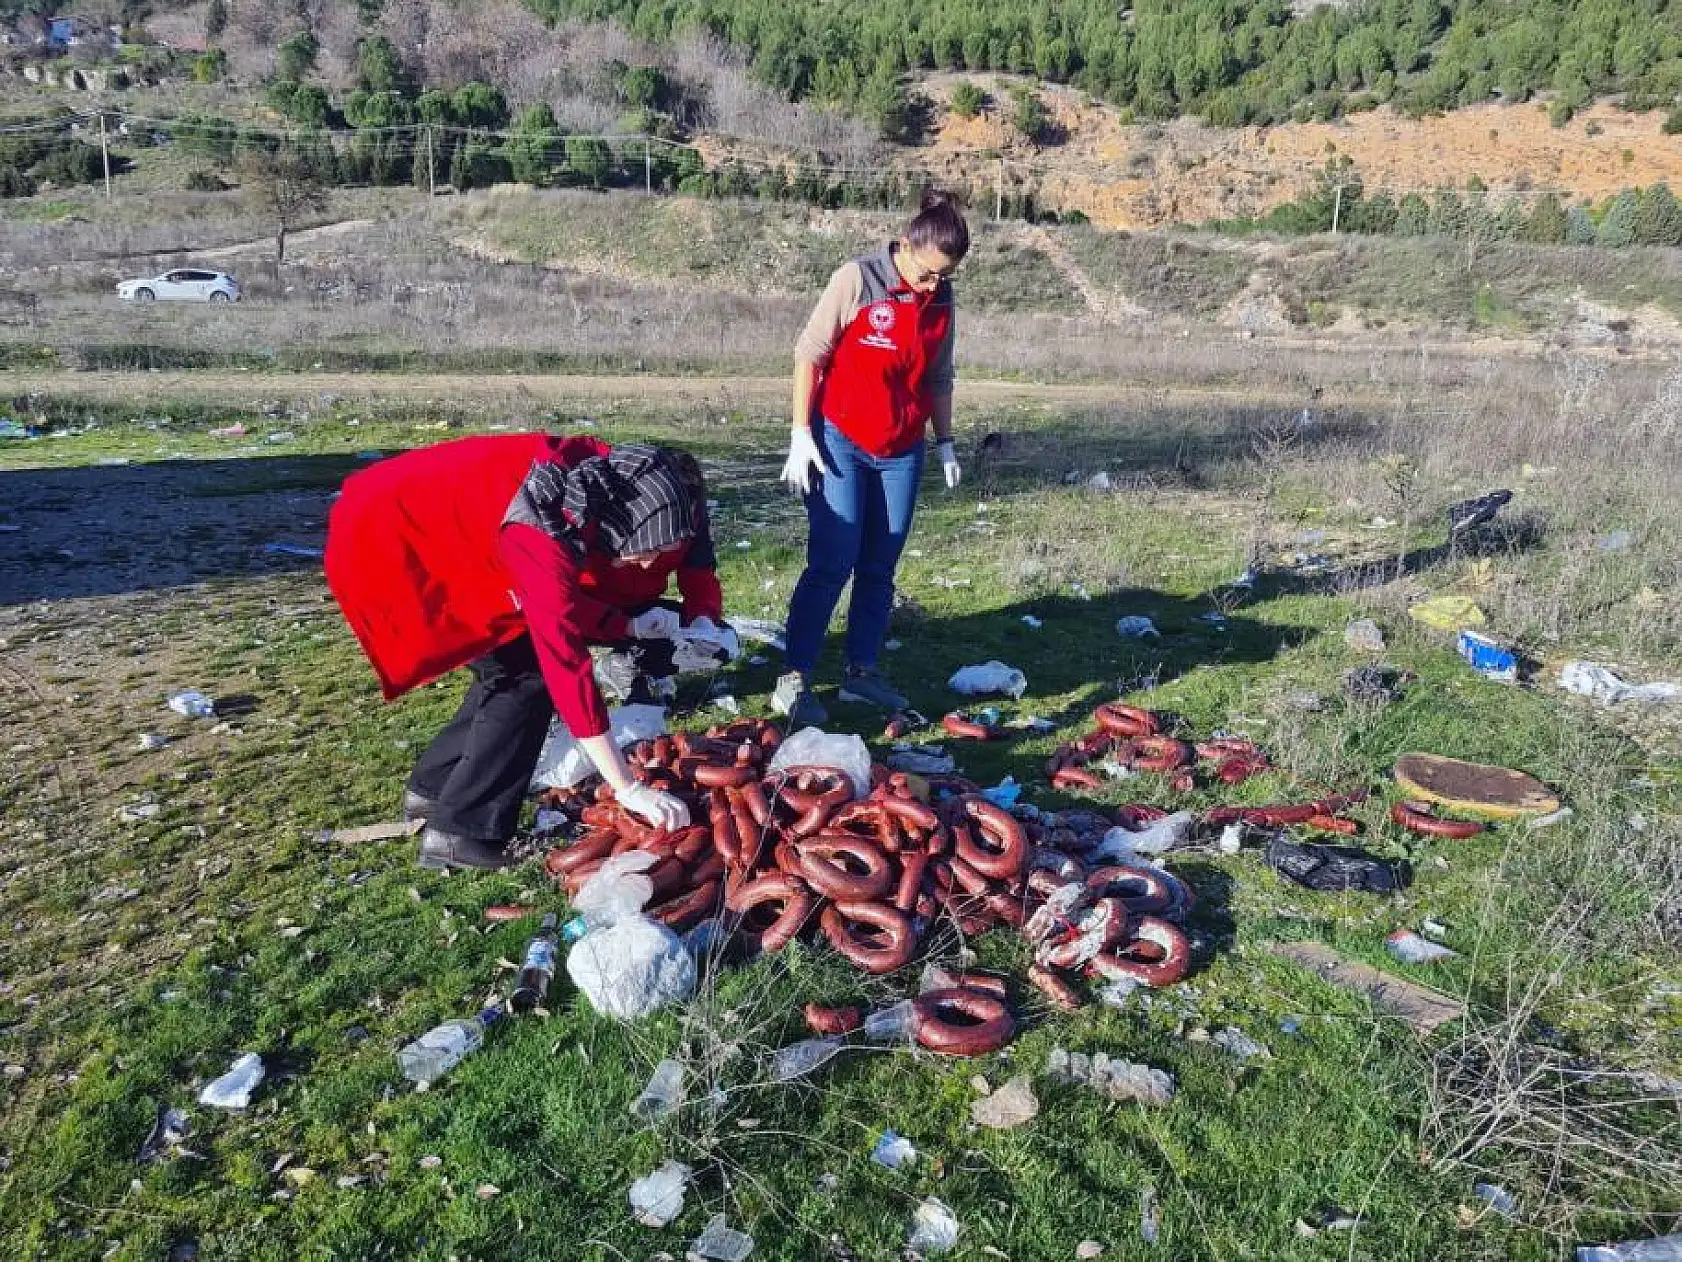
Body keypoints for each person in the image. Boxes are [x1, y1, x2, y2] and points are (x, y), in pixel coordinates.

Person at [325, 434, 723, 870]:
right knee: (525, 677)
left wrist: (629, 624)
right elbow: (565, 658)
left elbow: (568, 602)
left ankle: (432, 790)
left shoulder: (621, 485)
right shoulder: (544, 525)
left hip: (438, 524)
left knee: (507, 669)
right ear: (620, 528)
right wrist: (626, 787)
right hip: (400, 538)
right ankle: (464, 835)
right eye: (644, 552)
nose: (651, 566)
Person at [773, 189, 971, 726]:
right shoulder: (857, 280)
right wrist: (799, 432)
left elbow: (939, 377)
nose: (933, 285)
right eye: (926, 273)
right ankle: (794, 677)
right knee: (834, 559)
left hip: (901, 446)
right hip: (840, 437)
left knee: (880, 566)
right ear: (904, 246)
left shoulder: (942, 300)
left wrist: (945, 442)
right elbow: (808, 353)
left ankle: (862, 674)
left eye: (943, 277)